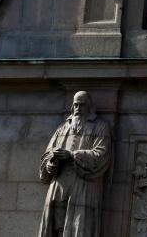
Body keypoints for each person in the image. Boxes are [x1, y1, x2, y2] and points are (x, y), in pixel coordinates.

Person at [38, 91, 112, 237]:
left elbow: (101, 154)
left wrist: (72, 155)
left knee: (78, 226)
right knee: (56, 226)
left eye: (81, 105)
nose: (78, 108)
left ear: (89, 107)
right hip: (58, 185)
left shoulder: (100, 127)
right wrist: (49, 165)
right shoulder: (62, 128)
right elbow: (47, 154)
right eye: (75, 105)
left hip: (83, 184)